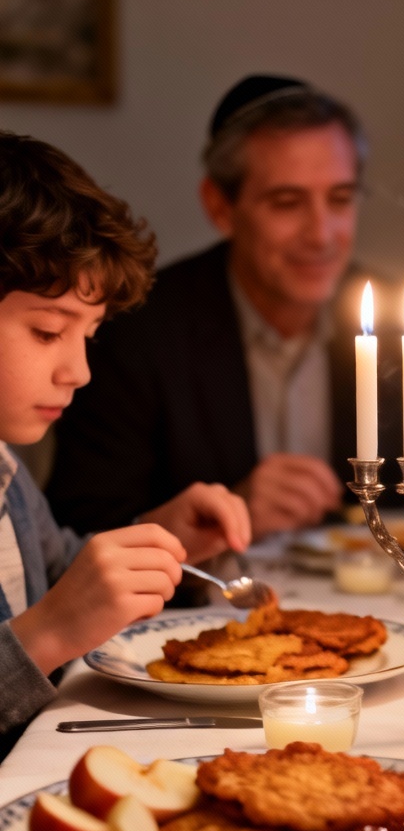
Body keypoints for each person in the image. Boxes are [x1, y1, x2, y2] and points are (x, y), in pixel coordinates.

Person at [46, 73, 385, 542]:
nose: (322, 234)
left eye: (341, 199)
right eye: (287, 203)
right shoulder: (137, 332)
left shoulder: (402, 328)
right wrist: (231, 513)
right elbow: (78, 532)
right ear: (220, 207)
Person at [0, 131, 251, 758]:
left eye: (88, 336)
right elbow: (51, 614)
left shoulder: (7, 472)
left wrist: (157, 538)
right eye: (47, 331)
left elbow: (56, 575)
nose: (79, 371)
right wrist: (47, 635)